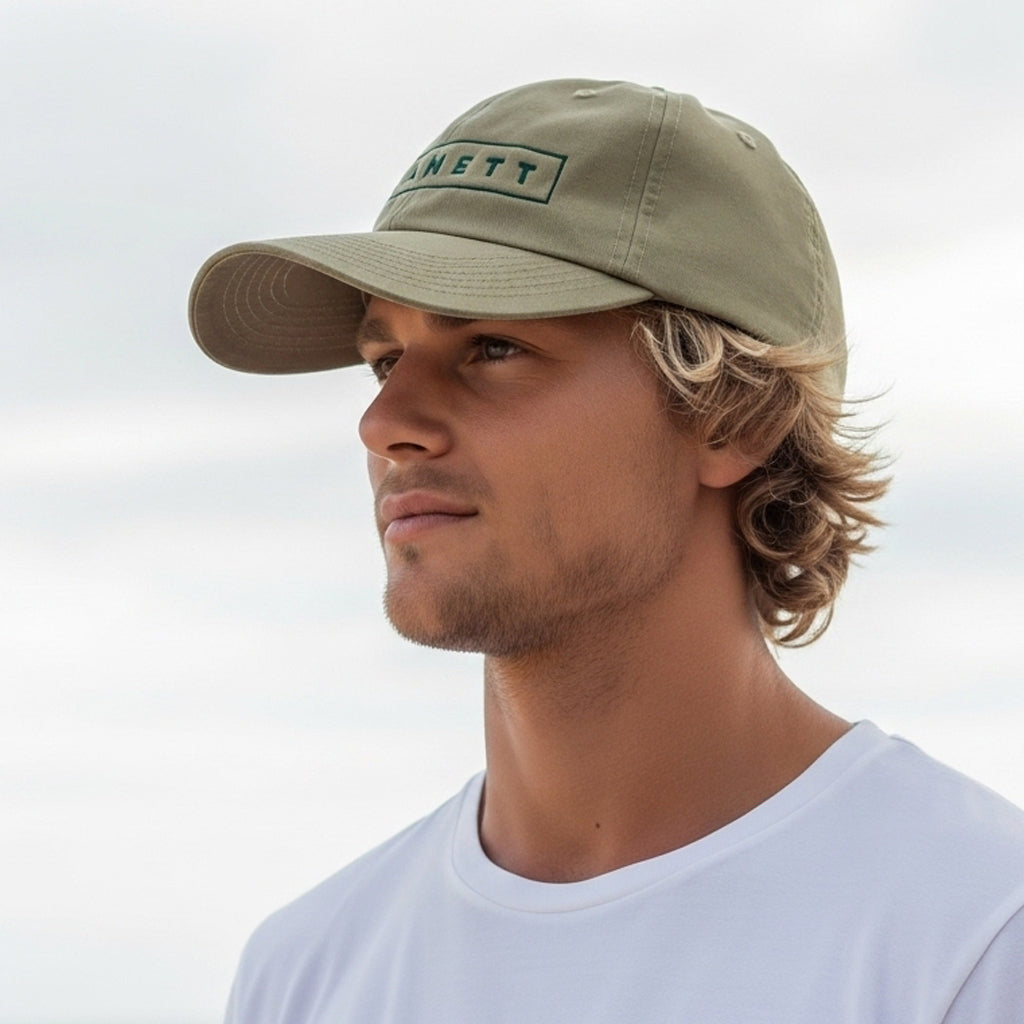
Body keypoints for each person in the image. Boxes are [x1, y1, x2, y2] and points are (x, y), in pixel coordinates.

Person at [188, 80, 1024, 1022]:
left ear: (730, 414)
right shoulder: (304, 974)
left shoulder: (976, 939)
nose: (385, 423)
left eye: (493, 347)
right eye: (386, 359)